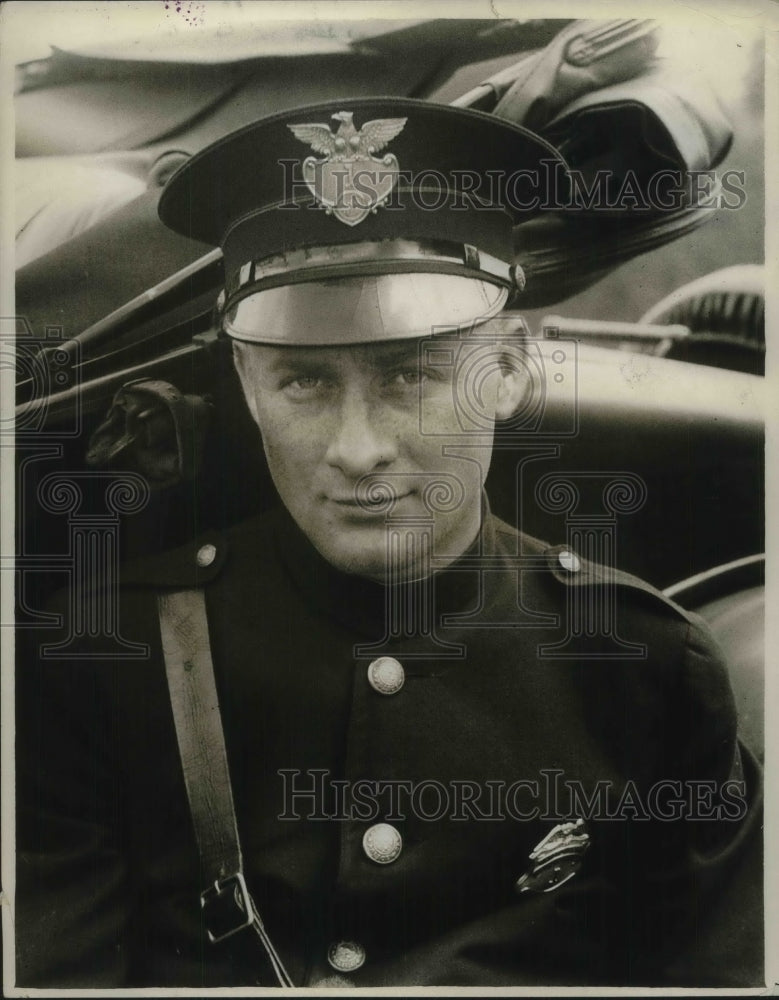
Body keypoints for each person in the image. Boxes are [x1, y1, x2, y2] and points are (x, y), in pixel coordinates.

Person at [15, 98, 762, 989]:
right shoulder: (100, 662)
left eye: (408, 374)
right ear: (248, 386)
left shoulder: (646, 675)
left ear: (509, 373)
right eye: (302, 381)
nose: (356, 448)